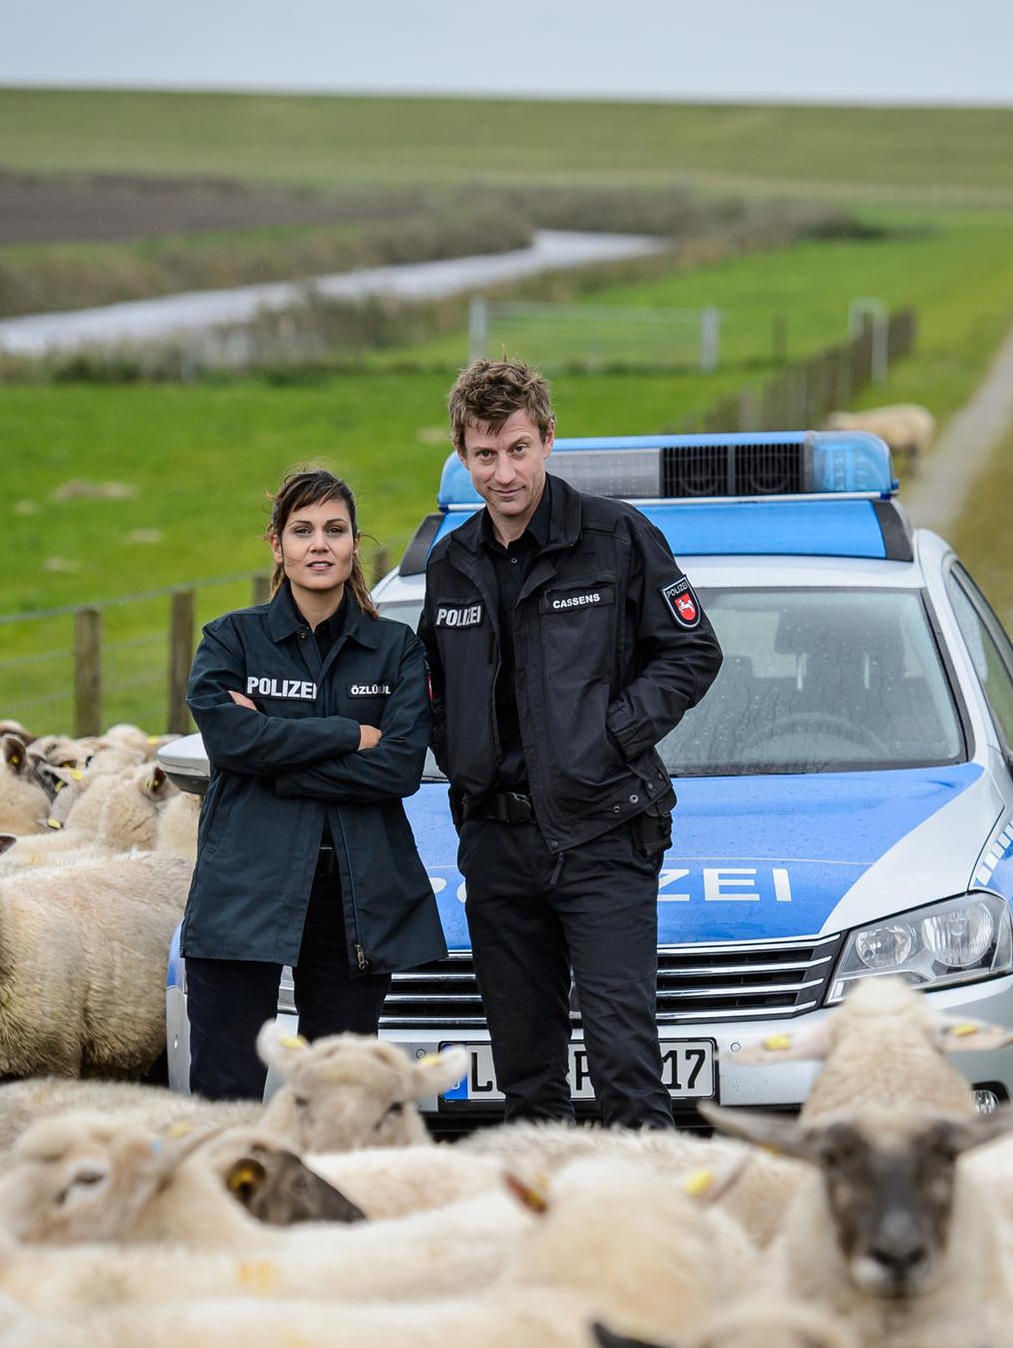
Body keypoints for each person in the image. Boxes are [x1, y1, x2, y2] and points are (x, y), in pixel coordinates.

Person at [418, 358, 723, 1128]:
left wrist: (610, 735)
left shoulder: (616, 536)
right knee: (527, 1084)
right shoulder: (452, 566)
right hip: (496, 845)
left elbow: (693, 651)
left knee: (625, 1068)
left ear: (549, 440)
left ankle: (649, 1235)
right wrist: (459, 756)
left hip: (603, 835)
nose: (504, 471)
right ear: (462, 455)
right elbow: (427, 688)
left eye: (518, 448)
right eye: (485, 455)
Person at [180, 468, 443, 1100]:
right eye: (302, 531)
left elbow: (400, 768)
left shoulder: (395, 648)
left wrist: (272, 751)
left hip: (351, 898)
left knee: (343, 1097)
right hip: (242, 890)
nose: (318, 544)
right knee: (226, 1091)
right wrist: (348, 733)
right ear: (277, 545)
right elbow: (231, 743)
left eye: (334, 530)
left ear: (355, 544)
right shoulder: (230, 639)